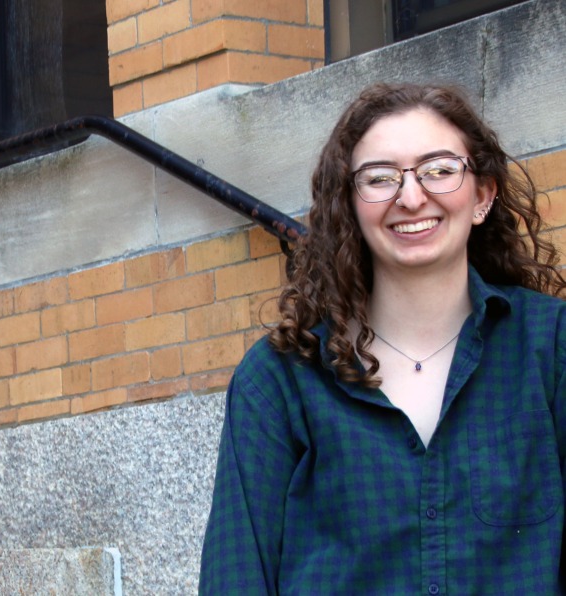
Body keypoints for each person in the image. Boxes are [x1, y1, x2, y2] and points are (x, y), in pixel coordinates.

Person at [199, 82, 566, 594]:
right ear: (350, 206)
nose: (411, 197)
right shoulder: (280, 381)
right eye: (380, 178)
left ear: (482, 195)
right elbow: (236, 577)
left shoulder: (551, 349)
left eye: (440, 170)